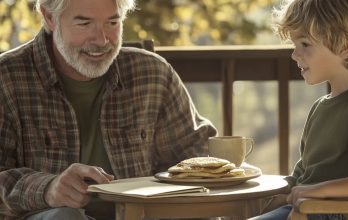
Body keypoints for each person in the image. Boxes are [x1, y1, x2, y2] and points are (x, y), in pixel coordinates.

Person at [0, 0, 217, 219]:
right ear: (49, 17)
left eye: (113, 22)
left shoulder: (153, 74)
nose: (102, 40)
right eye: (84, 24)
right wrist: (47, 189)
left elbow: (197, 158)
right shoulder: (6, 79)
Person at [249, 0, 348, 219]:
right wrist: (260, 191)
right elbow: (302, 175)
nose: (295, 54)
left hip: (337, 213)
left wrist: (319, 192)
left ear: (344, 46)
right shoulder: (320, 107)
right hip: (306, 208)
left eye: (305, 44)